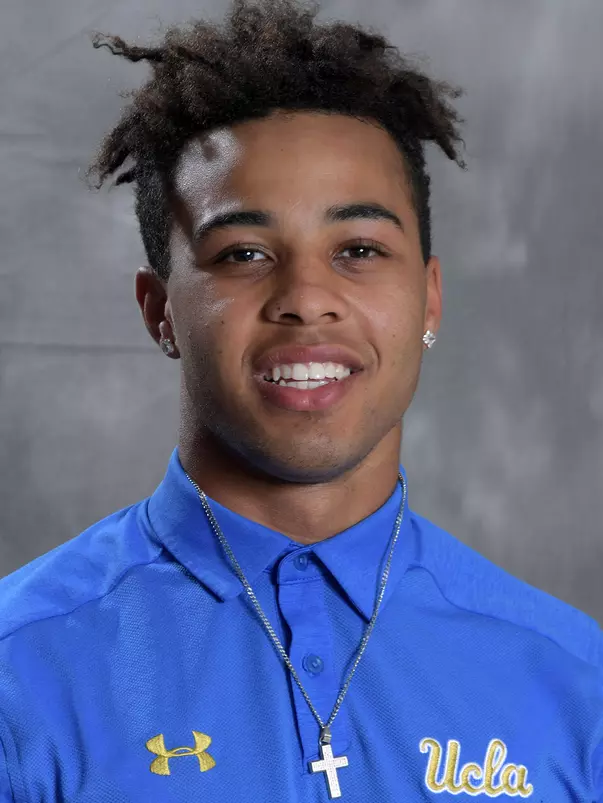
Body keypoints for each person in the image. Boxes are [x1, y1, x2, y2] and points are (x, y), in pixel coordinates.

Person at [1, 0, 601, 799]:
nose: (306, 298)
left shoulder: (570, 676)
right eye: (243, 252)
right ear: (159, 311)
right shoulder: (20, 670)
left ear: (428, 300)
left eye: (358, 249)